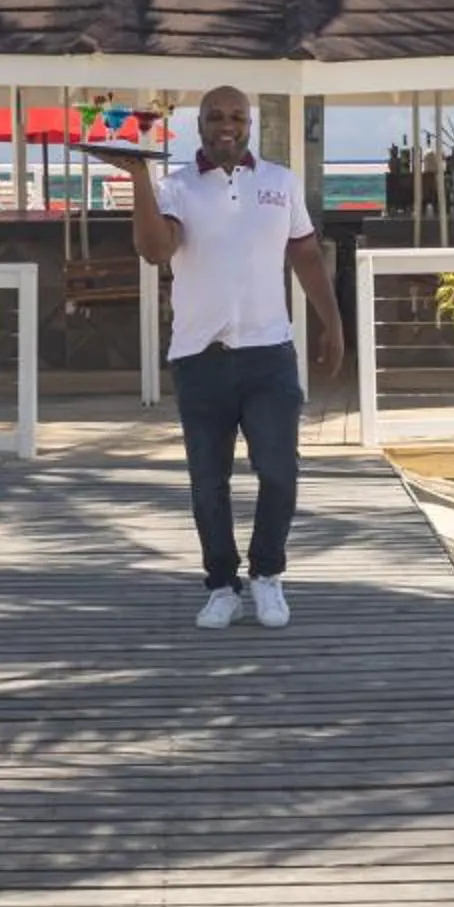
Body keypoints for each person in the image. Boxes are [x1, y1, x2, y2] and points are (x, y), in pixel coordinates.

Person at [121, 85, 345, 630]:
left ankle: (267, 575)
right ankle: (222, 584)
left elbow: (308, 255)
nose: (227, 125)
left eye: (237, 117)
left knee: (279, 472)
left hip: (269, 353)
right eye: (216, 117)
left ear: (250, 125)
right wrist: (137, 179)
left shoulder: (279, 182)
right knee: (208, 481)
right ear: (199, 125)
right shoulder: (175, 187)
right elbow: (155, 250)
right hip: (201, 357)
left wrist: (333, 324)